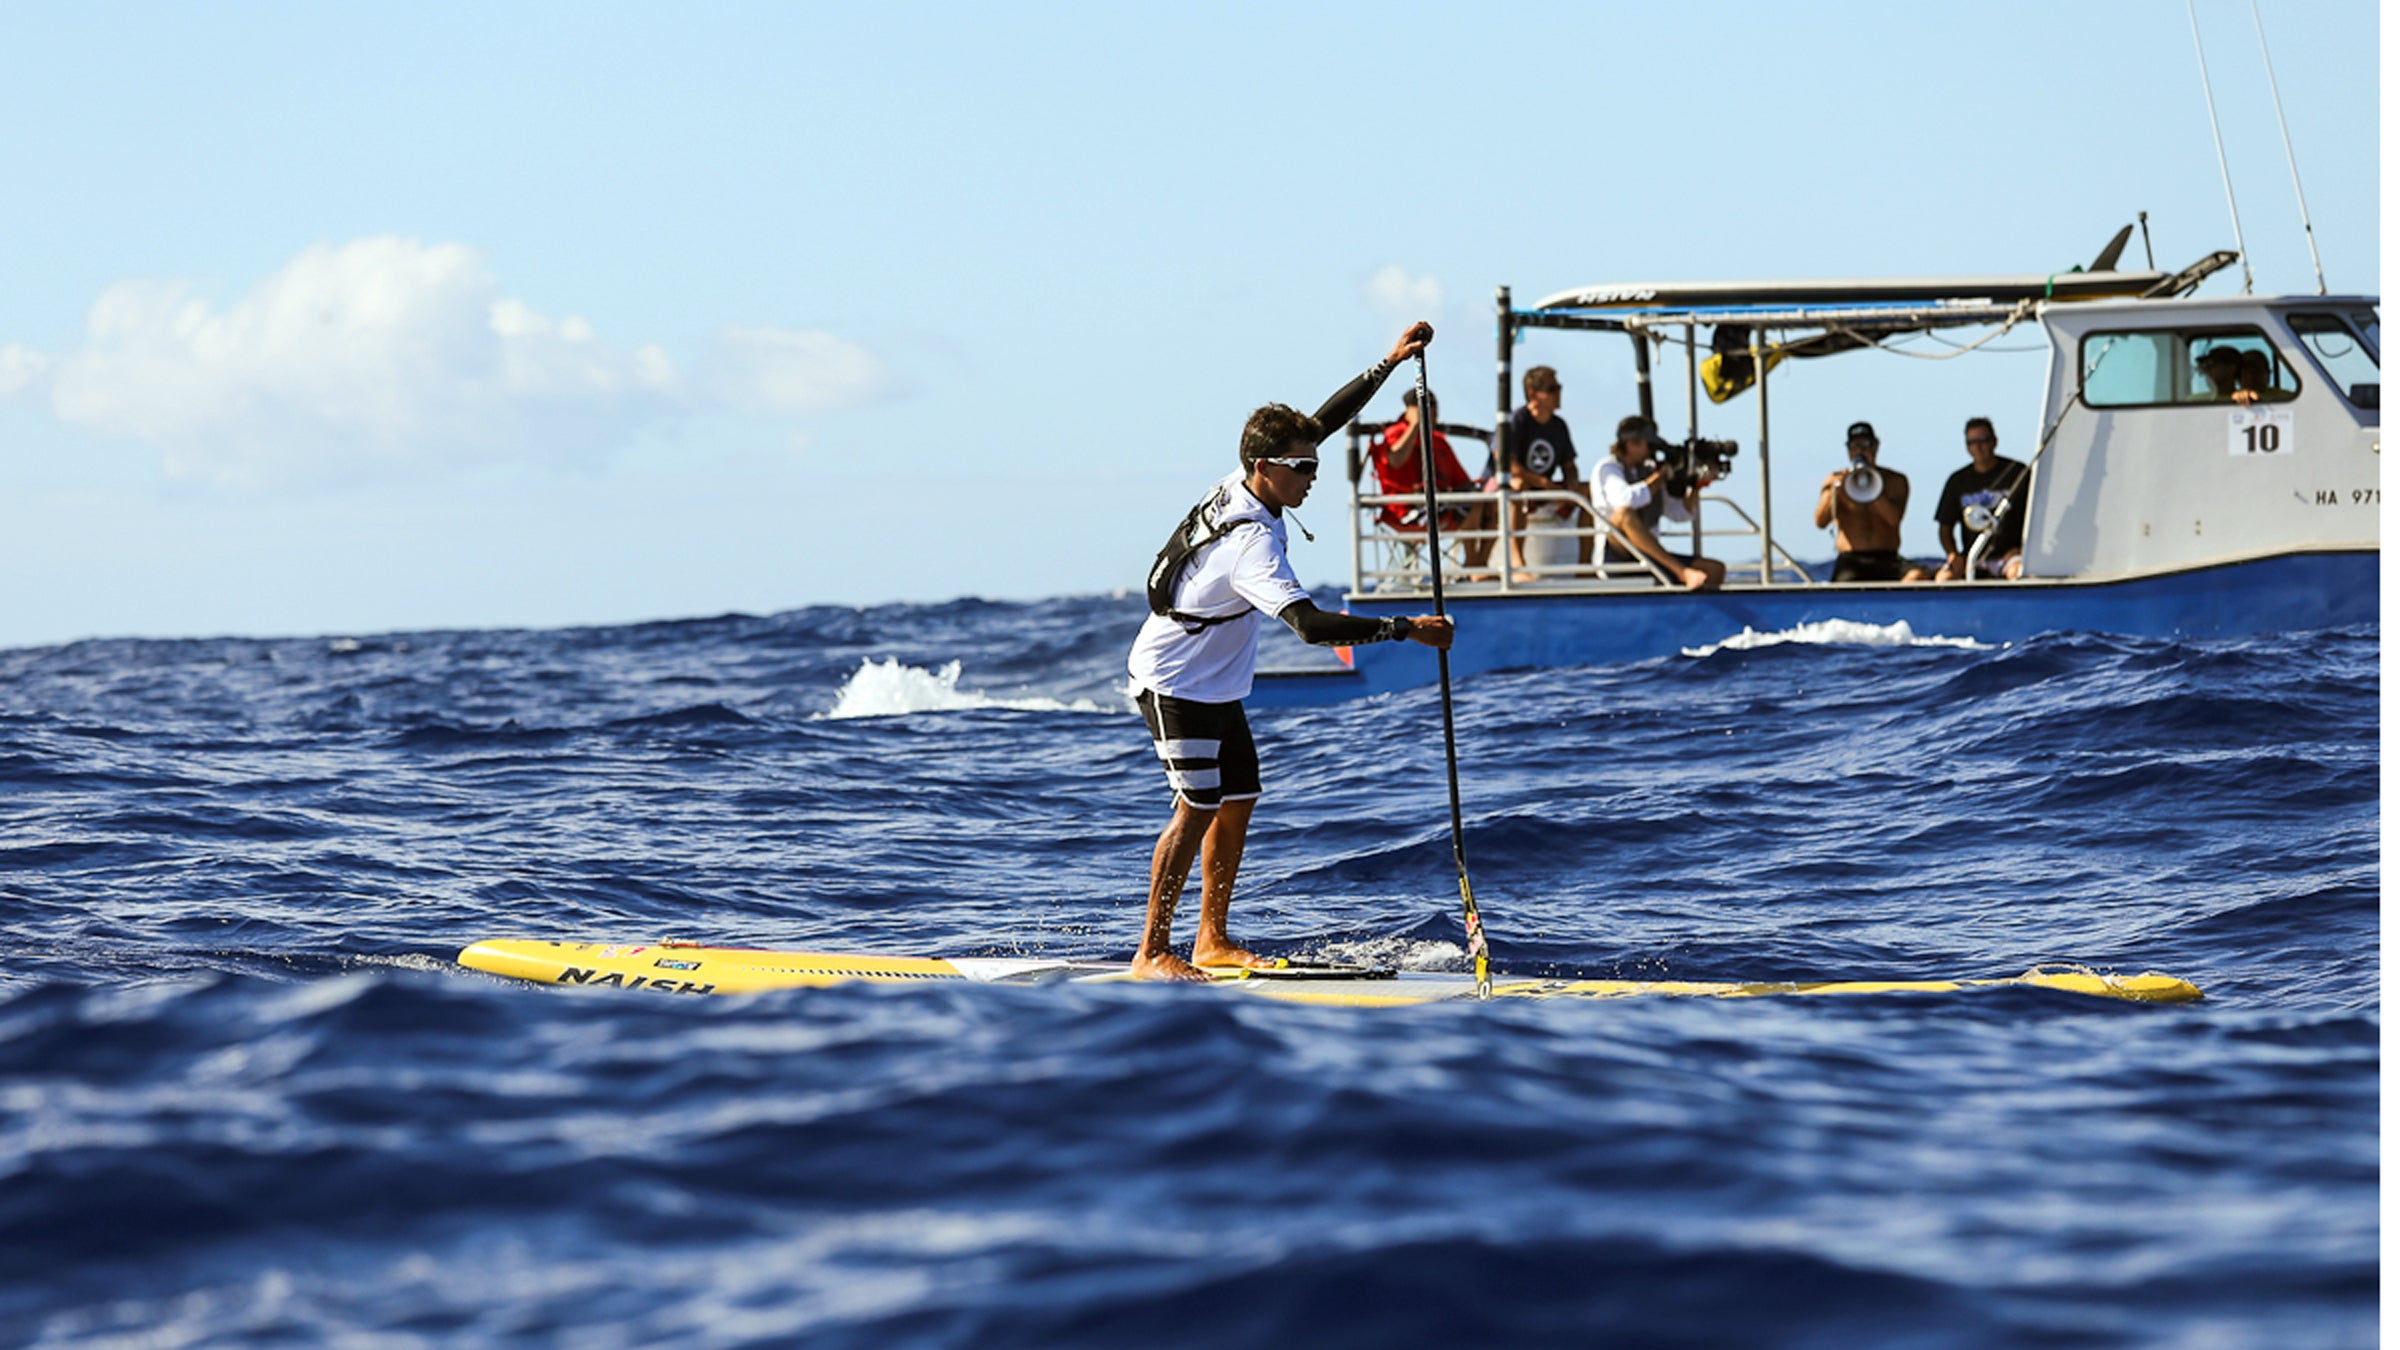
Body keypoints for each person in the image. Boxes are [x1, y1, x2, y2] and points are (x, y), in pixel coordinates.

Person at [1126, 321, 1457, 982]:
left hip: (1217, 682)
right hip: (1173, 681)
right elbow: (1307, 627)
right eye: (1301, 468)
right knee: (1195, 808)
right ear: (1264, 468)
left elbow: (1322, 422)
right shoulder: (1251, 543)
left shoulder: (1249, 477)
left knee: (1239, 795)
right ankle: (1150, 951)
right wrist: (1403, 630)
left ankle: (1210, 940)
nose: (1313, 476)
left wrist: (1389, 363)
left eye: (1314, 463)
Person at [1369, 388, 1496, 573]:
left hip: (1443, 506)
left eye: (1434, 405)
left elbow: (1462, 481)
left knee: (1490, 504)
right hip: (1408, 512)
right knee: (1473, 503)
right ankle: (1474, 567)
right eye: (1426, 406)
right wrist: (1415, 425)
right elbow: (1395, 459)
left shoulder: (1438, 441)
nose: (1432, 411)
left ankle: (1478, 565)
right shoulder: (1395, 434)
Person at [1593, 415, 1724, 591]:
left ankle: (1695, 614)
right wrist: (1660, 476)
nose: (1652, 452)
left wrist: (1697, 486)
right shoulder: (1607, 468)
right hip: (1617, 553)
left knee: (1715, 570)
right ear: (1632, 444)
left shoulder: (1649, 470)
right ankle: (1681, 572)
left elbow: (1679, 513)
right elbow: (1626, 500)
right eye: (1649, 446)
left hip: (1652, 553)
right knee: (1624, 515)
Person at [1502, 366, 1595, 578]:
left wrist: (1571, 482)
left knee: (1588, 490)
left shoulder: (1559, 426)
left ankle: (1585, 566)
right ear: (1533, 394)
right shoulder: (1518, 421)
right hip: (1521, 488)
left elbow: (1569, 465)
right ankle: (1517, 564)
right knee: (1517, 488)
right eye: (1552, 389)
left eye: (1558, 388)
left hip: (1545, 490)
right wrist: (1546, 485)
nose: (1558, 393)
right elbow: (1510, 466)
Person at [1814, 420, 1933, 582]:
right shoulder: (1835, 480)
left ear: (1876, 447)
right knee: (1844, 589)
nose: (1860, 451)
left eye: (1865, 445)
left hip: (1887, 558)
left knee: (1917, 577)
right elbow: (1820, 522)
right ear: (1848, 451)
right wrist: (1833, 492)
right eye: (1854, 446)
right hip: (1851, 560)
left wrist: (1873, 489)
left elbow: (1893, 519)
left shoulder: (1895, 481)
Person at [1933, 416, 2029, 581]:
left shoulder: (2018, 473)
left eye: (1983, 440)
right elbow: (1945, 527)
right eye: (1972, 442)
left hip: (2009, 555)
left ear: (1994, 441)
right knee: (1943, 579)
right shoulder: (1958, 480)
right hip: (1972, 557)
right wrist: (1953, 554)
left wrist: (2023, 549)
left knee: (2017, 572)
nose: (1978, 447)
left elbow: (2039, 517)